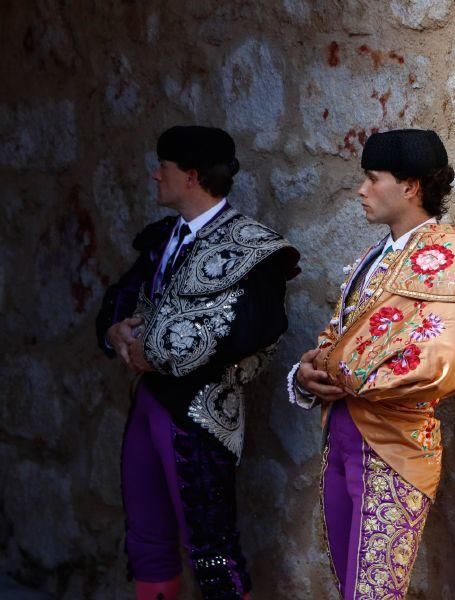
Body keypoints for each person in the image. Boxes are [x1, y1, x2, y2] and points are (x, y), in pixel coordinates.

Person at [288, 129, 455, 599]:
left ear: (410, 187)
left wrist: (337, 370)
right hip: (339, 435)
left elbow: (444, 364)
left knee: (374, 594)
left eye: (373, 178)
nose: (361, 190)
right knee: (350, 587)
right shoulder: (373, 258)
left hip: (395, 446)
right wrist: (306, 372)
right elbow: (334, 338)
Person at [96, 126, 300, 600]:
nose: (154, 175)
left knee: (211, 550)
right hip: (148, 404)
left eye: (162, 167)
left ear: (190, 176)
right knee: (148, 540)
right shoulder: (161, 238)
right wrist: (115, 330)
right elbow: (119, 298)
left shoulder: (254, 247)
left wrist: (160, 350)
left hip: (202, 412)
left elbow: (257, 327)